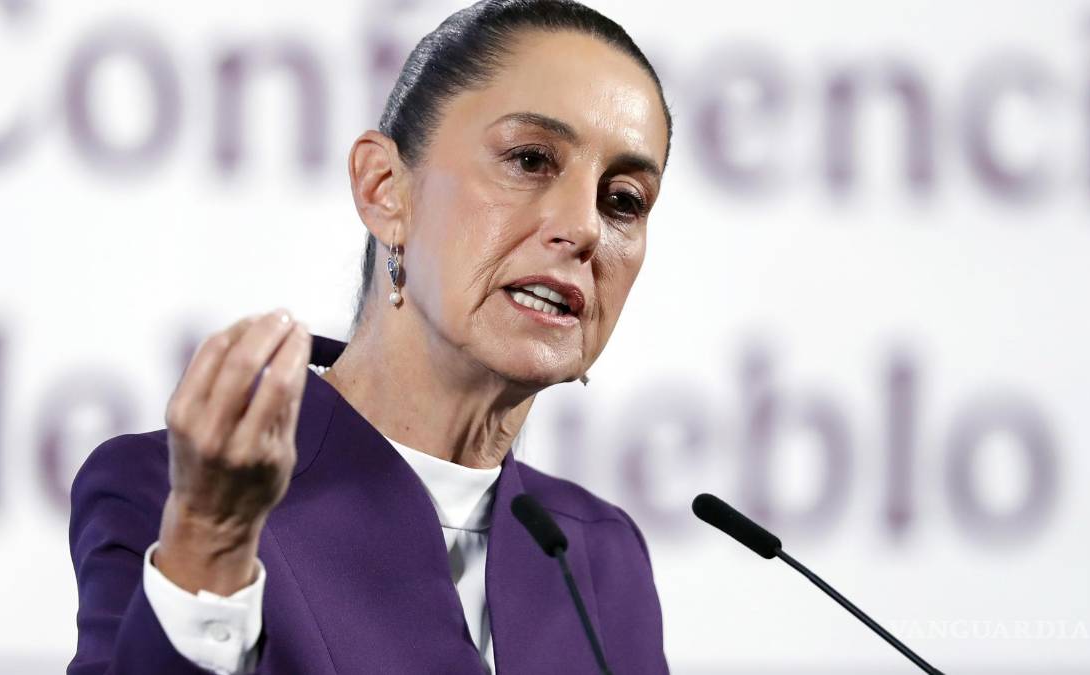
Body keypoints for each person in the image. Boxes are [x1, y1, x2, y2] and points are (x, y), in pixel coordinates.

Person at [67, 0, 674, 672]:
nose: (584, 227)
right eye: (530, 159)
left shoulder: (601, 557)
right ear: (384, 188)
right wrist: (208, 546)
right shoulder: (171, 497)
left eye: (624, 200)